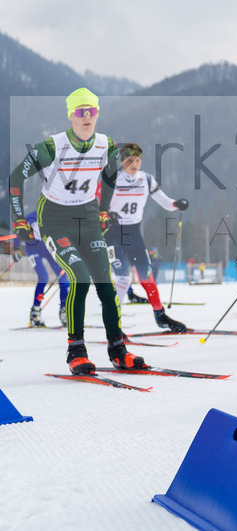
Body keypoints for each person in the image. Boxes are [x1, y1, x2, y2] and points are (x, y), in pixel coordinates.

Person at [8, 88, 146, 374]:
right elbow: (15, 177)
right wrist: (20, 219)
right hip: (55, 219)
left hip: (87, 217)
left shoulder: (106, 145)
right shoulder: (52, 146)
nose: (86, 116)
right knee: (79, 278)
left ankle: (117, 349)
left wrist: (104, 210)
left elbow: (109, 178)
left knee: (105, 286)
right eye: (80, 111)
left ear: (98, 113)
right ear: (70, 115)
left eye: (91, 111)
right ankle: (76, 351)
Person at [106, 142, 189, 332]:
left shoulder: (147, 179)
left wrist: (177, 204)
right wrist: (104, 214)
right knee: (123, 278)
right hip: (112, 234)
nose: (134, 164)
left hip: (133, 233)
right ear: (122, 162)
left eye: (137, 160)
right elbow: (95, 203)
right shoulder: (112, 179)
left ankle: (160, 316)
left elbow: (165, 202)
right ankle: (112, 323)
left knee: (146, 276)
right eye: (129, 161)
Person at [14, 211, 70, 328]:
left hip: (49, 249)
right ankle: (35, 311)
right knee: (43, 277)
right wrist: (16, 248)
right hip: (33, 248)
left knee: (63, 277)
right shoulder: (32, 216)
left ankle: (64, 310)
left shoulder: (56, 216)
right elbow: (18, 230)